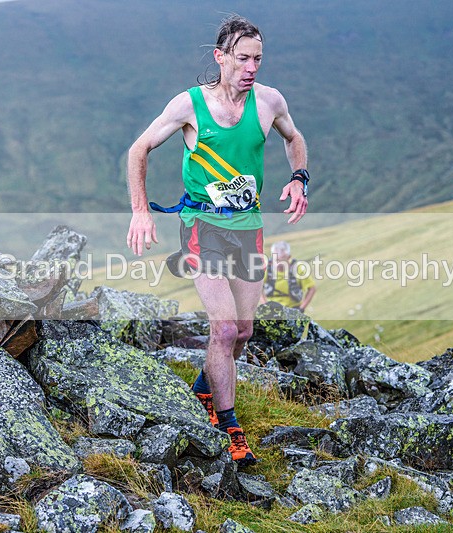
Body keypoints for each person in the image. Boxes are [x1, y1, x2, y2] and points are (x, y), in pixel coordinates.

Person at [126, 14, 309, 467]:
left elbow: (294, 137)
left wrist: (299, 178)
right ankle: (229, 428)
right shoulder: (190, 105)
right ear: (220, 57)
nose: (251, 67)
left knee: (243, 330)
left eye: (258, 59)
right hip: (201, 226)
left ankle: (205, 388)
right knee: (224, 327)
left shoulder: (269, 102)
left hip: (247, 227)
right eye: (243, 58)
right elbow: (139, 148)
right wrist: (140, 210)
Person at [261, 240, 316, 312]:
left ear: (289, 257)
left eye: (281, 260)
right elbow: (257, 288)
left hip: (293, 309)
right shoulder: (266, 269)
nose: (278, 264)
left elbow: (312, 288)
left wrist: (301, 308)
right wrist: (265, 305)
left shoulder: (298, 269)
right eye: (276, 260)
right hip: (272, 311)